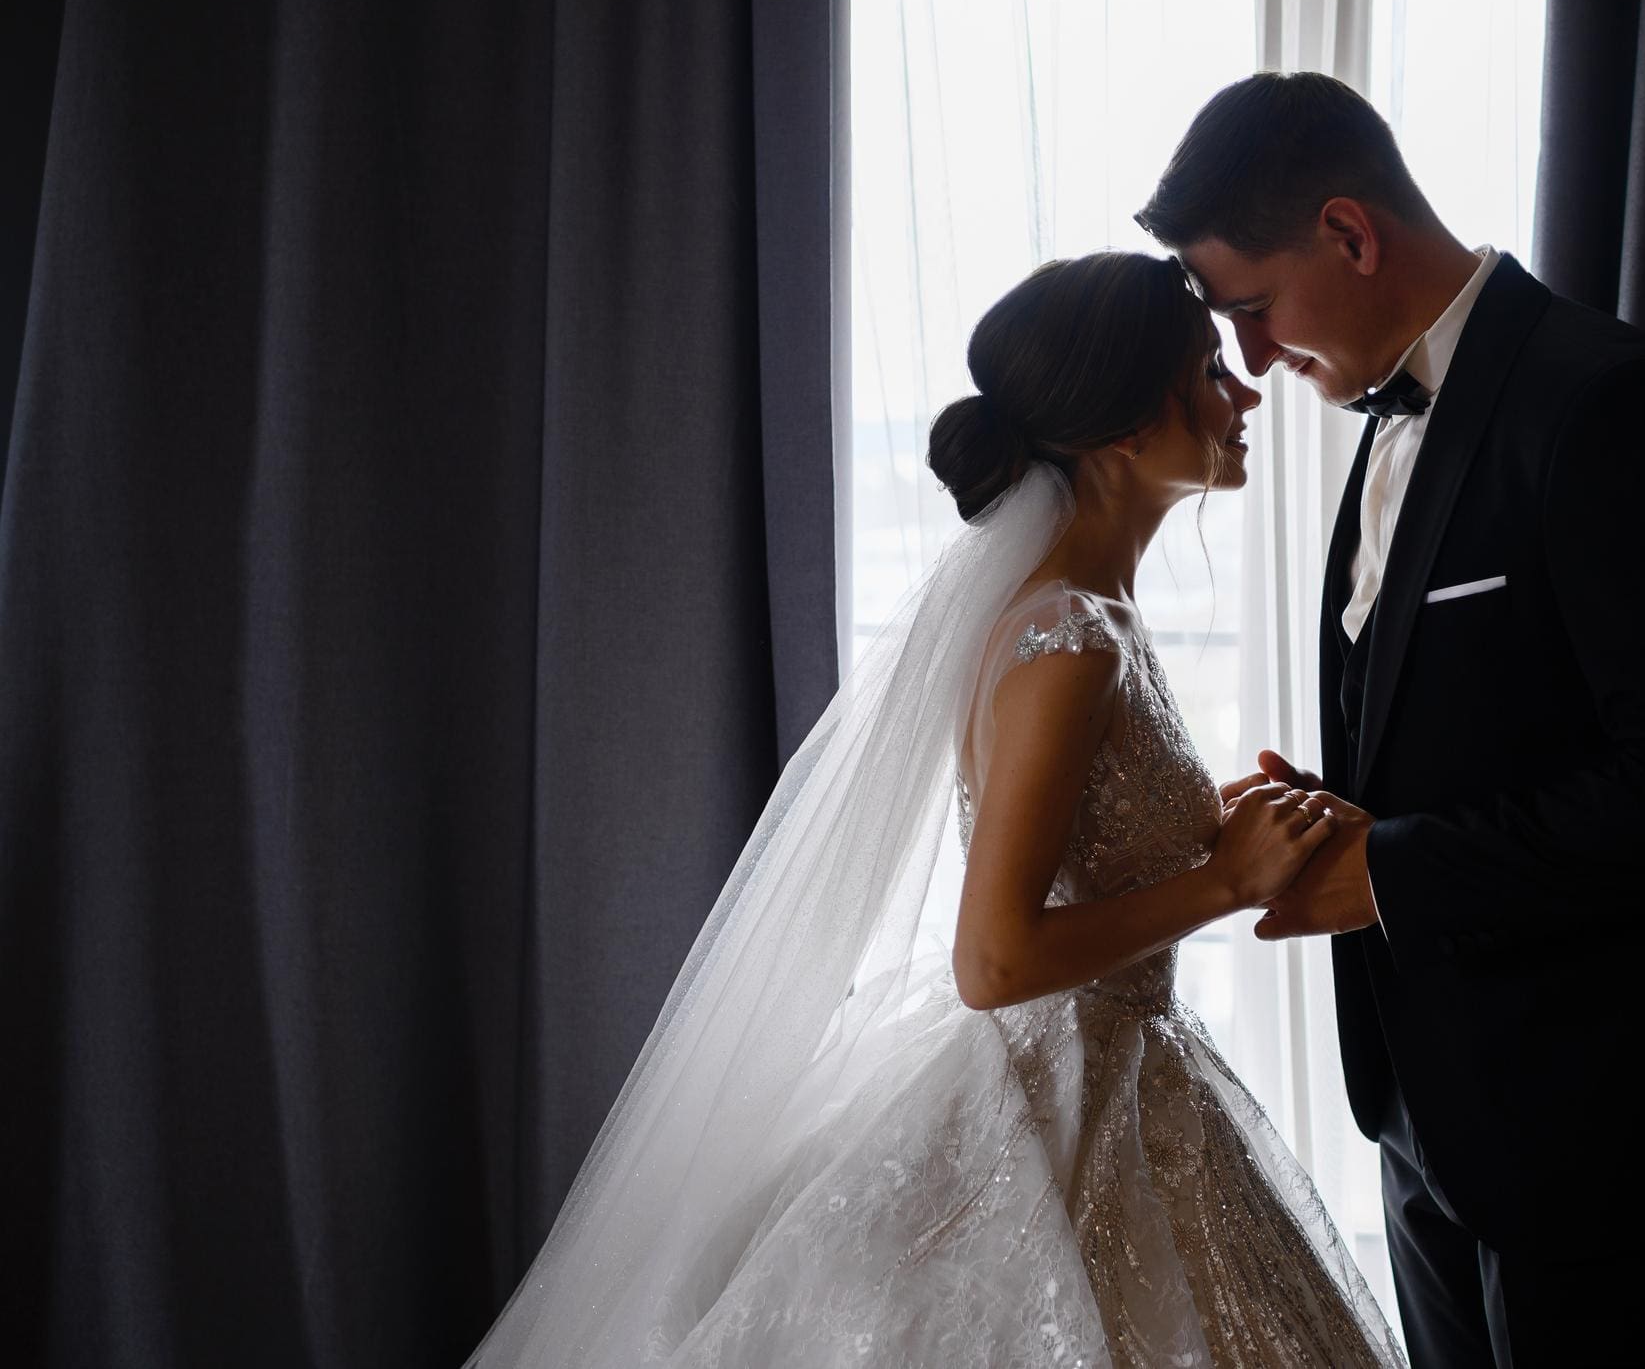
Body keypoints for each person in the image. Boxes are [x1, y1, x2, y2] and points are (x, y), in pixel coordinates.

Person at [461, 250, 1405, 1368]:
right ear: (1120, 430)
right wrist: (1219, 881)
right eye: (1208, 372)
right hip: (1063, 1100)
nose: (1243, 393)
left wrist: (1227, 829)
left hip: (1114, 1077)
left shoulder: (1087, 615)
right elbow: (993, 960)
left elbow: (1084, 853)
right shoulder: (1067, 643)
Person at [1138, 72, 1645, 1367]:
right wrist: (1354, 818)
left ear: (1348, 231)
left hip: (1620, 1161)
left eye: (1255, 311)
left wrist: (1382, 868)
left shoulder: (1612, 408)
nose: (1253, 363)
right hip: (1429, 1130)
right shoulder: (1385, 413)